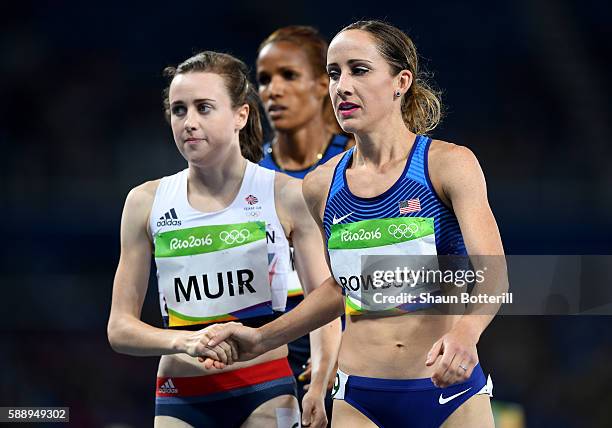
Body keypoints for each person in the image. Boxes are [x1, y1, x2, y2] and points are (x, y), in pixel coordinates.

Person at [204, 20, 507, 428]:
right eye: (333, 73)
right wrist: (261, 338)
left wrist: (467, 333)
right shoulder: (319, 186)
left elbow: (493, 272)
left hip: (449, 393)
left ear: (401, 81)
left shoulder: (447, 164)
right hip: (359, 399)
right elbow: (341, 287)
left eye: (358, 70)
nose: (341, 86)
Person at [107, 51, 334, 428]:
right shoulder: (145, 202)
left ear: (240, 116)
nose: (189, 122)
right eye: (179, 110)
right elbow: (119, 328)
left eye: (204, 108)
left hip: (264, 386)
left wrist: (320, 381)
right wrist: (185, 342)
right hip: (182, 393)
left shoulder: (286, 195)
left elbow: (325, 300)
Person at [256, 25, 347, 417]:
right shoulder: (246, 174)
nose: (272, 90)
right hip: (269, 345)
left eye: (288, 76)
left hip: (354, 339)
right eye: (263, 79)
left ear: (322, 84)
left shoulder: (356, 162)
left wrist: (342, 349)